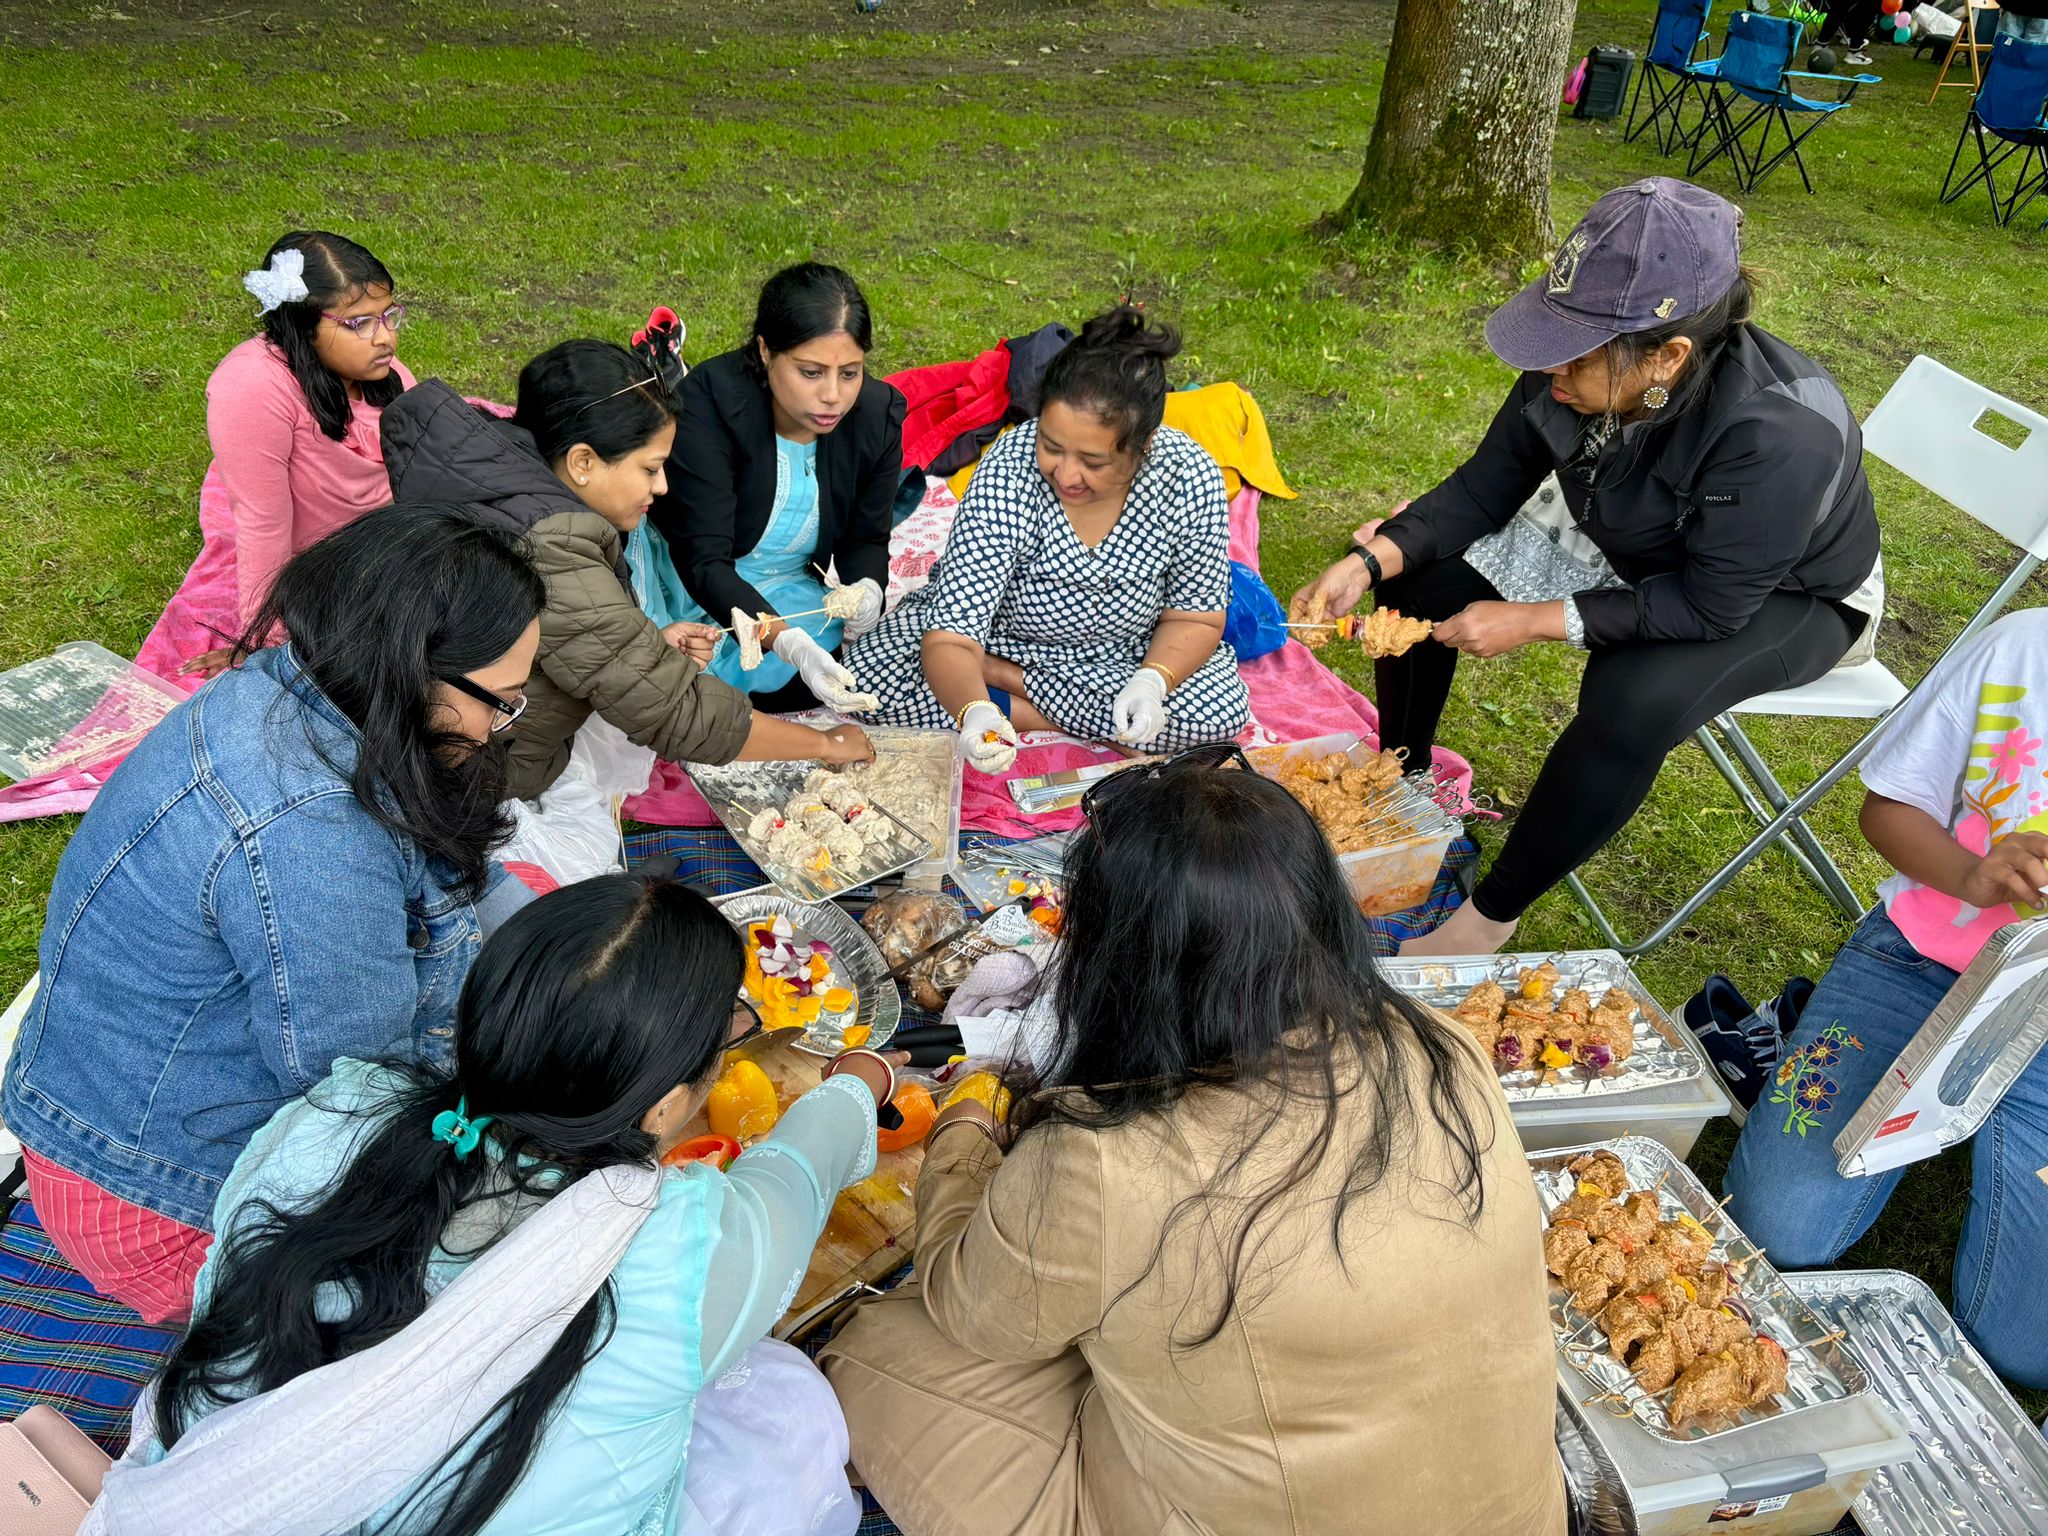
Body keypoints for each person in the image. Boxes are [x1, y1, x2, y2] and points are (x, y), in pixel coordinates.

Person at [820, 747, 1564, 1536]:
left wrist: (969, 1120)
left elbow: (977, 1316)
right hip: (1510, 1510)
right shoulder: (1446, 1045)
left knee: (880, 1344)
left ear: (1116, 963)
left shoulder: (1103, 1160)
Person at [94, 874, 897, 1536]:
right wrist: (863, 1082)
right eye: (723, 1038)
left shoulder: (341, 1115)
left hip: (210, 1485)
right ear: (663, 1109)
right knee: (788, 1401)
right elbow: (797, 1175)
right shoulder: (680, 1250)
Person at [1293, 178, 1881, 956]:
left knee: (1630, 697)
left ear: (1668, 355)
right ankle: (1398, 780)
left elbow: (1711, 607)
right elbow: (1483, 488)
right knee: (1418, 575)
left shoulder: (1780, 432)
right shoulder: (1573, 360)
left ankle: (1487, 918)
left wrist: (1535, 621)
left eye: (1570, 357)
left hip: (1783, 595)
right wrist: (1368, 562)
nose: (1549, 372)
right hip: (1629, 531)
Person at [1, 506, 544, 1322]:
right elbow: (359, 1092)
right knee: (485, 1298)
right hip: (157, 1196)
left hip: (111, 1110)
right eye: (499, 703)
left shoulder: (312, 690)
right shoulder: (312, 829)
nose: (503, 726)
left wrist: (572, 942)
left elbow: (461, 876)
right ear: (408, 668)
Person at [1723, 608, 2048, 1391]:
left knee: (2025, 1351)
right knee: (1773, 1230)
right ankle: (1820, 1029)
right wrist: (1972, 876)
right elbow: (1889, 808)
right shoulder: (2022, 648)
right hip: (1923, 963)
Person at [383, 338, 873, 811]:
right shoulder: (551, 546)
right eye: (651, 467)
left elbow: (575, 639)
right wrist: (826, 743)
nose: (661, 486)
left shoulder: (507, 489)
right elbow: (673, 711)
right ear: (582, 462)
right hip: (471, 782)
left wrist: (648, 643)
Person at [847, 306, 1251, 773]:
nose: (1066, 473)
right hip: (999, 640)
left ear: (1144, 446)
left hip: (1125, 657)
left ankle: (1012, 692)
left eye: (1093, 462)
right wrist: (973, 711)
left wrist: (1153, 682)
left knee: (1220, 712)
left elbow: (1195, 617)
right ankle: (1059, 713)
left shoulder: (1189, 475)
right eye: (1052, 447)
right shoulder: (1009, 466)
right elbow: (955, 635)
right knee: (867, 682)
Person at [146, 231, 415, 682]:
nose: (386, 338)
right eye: (361, 323)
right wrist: (262, 643)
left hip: (385, 546)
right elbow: (262, 523)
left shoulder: (388, 374)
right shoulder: (251, 389)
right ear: (304, 325)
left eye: (389, 316)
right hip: (322, 566)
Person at [651, 263, 905, 711]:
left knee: (834, 682)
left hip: (787, 589)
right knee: (670, 687)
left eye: (850, 373)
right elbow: (704, 559)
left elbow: (866, 536)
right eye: (811, 372)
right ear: (766, 351)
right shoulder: (709, 407)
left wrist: (868, 587)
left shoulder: (875, 416)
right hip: (689, 580)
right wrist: (786, 641)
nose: (834, 396)